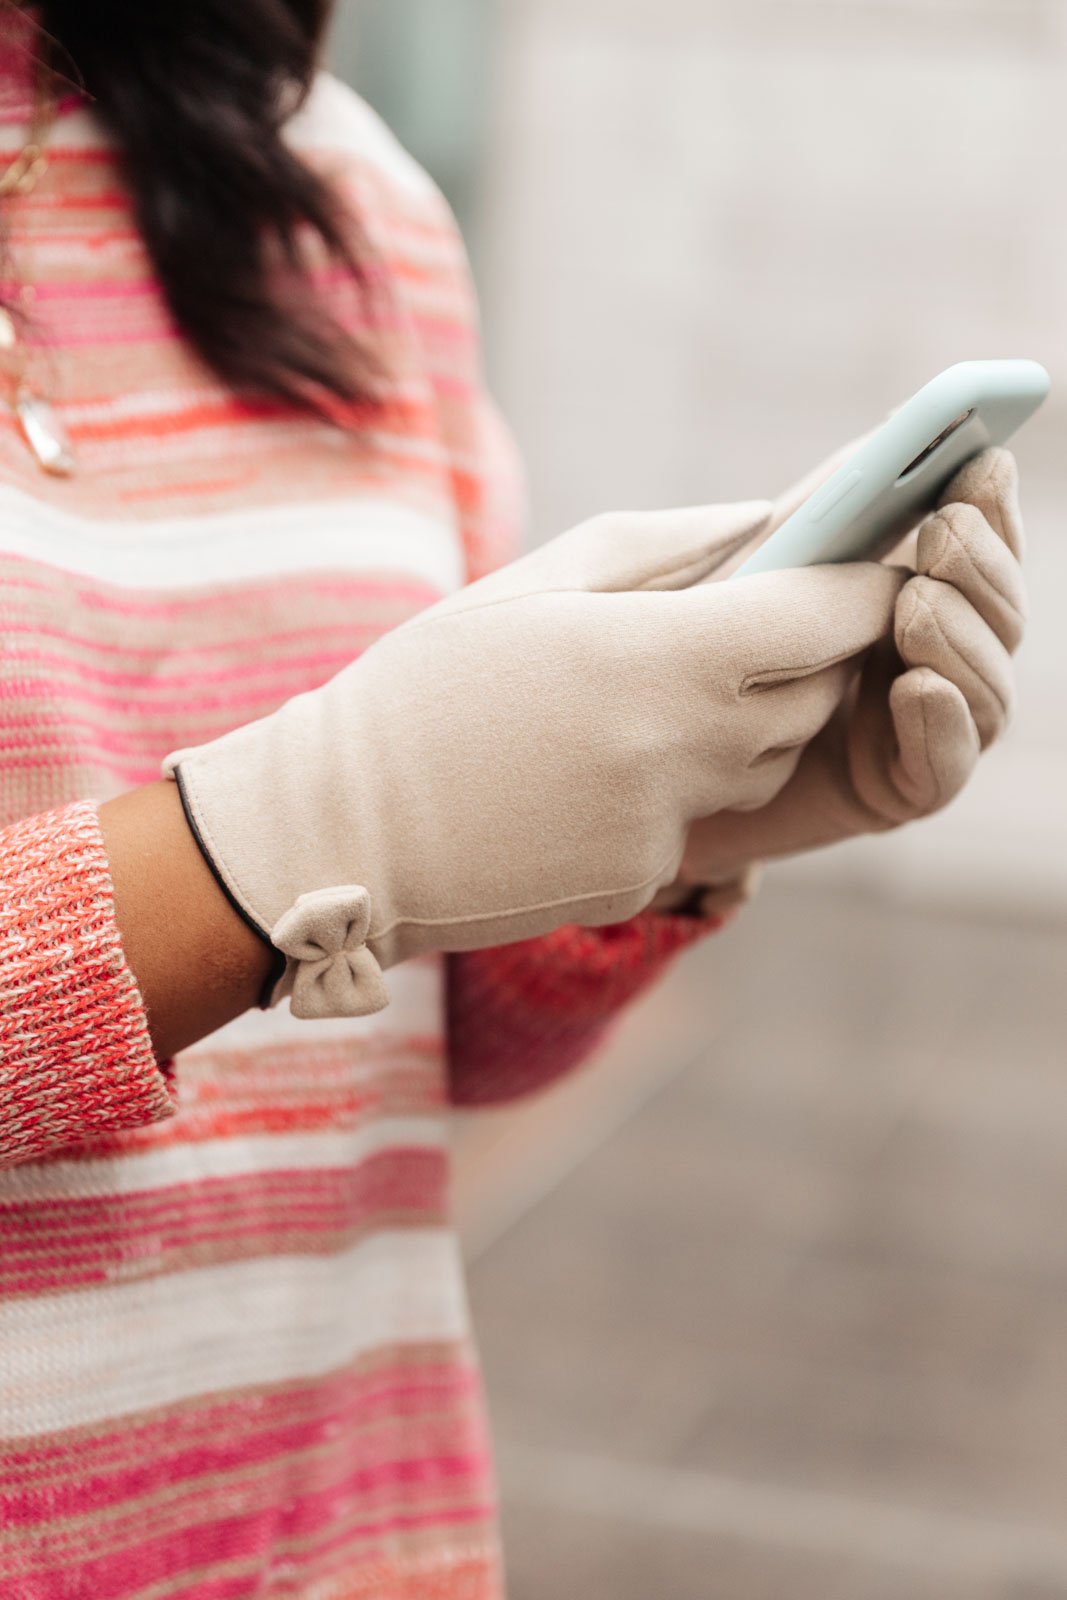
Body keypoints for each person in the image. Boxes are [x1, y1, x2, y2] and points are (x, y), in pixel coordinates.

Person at [0, 3, 1025, 1595]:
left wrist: (672, 840)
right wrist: (294, 838)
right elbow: (326, 847)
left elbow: (425, 1058)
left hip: (346, 1535)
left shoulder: (341, 196)